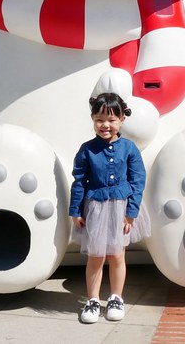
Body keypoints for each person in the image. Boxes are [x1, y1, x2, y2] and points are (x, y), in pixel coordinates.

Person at [69, 92, 149, 324]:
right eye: (99, 119)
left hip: (122, 208)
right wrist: (76, 209)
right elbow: (79, 181)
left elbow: (137, 180)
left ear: (122, 119)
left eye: (111, 119)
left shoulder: (130, 148)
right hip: (95, 207)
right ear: (93, 120)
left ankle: (116, 298)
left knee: (116, 254)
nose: (105, 125)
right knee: (96, 255)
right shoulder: (86, 150)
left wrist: (131, 212)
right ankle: (93, 300)